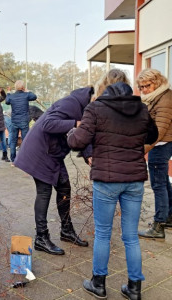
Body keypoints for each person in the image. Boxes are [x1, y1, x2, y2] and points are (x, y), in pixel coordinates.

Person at [68, 82, 158, 300]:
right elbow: (152, 136)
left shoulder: (96, 108)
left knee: (103, 233)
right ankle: (134, 288)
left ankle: (98, 284)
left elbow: (77, 141)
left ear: (106, 93)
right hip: (134, 181)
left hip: (107, 180)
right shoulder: (142, 110)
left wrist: (72, 132)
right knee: (131, 237)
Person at [14, 86, 92, 256]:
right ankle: (41, 237)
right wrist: (76, 123)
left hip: (53, 153)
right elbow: (48, 123)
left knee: (65, 188)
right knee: (44, 192)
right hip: (40, 152)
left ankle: (66, 230)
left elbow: (81, 136)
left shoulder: (84, 108)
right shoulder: (71, 103)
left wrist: (89, 155)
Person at [136, 69, 172, 239]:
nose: (144, 90)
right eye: (141, 87)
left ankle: (158, 226)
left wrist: (140, 150)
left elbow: (158, 131)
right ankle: (169, 217)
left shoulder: (165, 99)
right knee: (164, 182)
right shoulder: (156, 97)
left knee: (158, 185)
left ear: (156, 82)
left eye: (147, 86)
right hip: (161, 145)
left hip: (160, 145)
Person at [5, 80, 37, 162]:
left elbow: (7, 101)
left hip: (14, 121)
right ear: (23, 87)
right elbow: (34, 96)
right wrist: (27, 91)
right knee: (25, 140)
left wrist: (8, 92)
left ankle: (13, 160)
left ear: (15, 87)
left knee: (13, 141)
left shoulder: (11, 96)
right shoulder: (26, 95)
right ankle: (25, 158)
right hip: (24, 120)